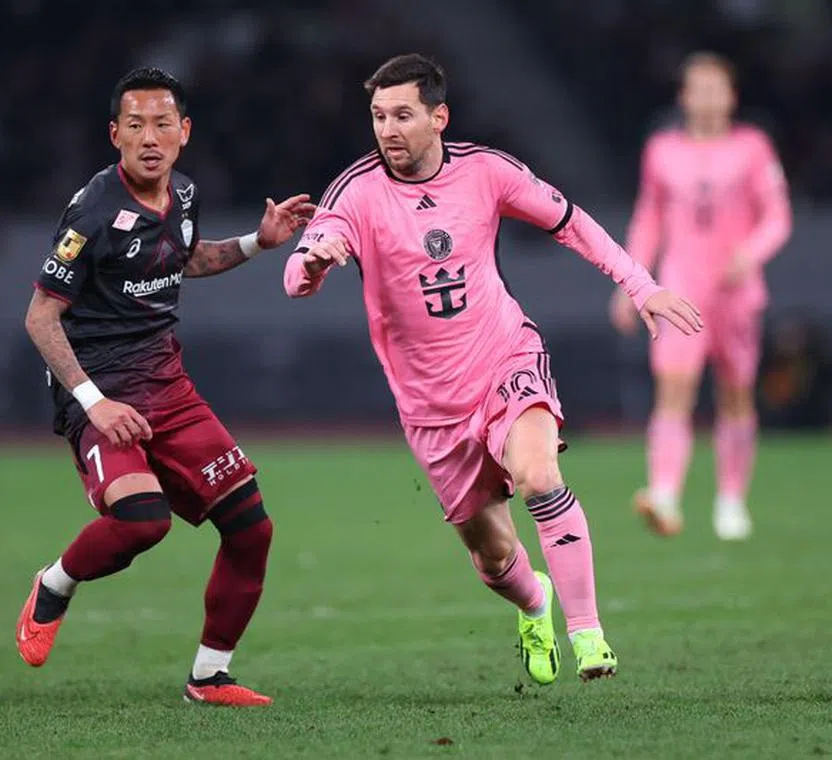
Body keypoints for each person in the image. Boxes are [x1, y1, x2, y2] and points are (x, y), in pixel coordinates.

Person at [284, 54, 701, 684]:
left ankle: (589, 635)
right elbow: (298, 273)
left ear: (438, 117)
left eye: (402, 115)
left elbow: (571, 223)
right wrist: (313, 264)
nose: (387, 129)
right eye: (377, 117)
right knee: (492, 554)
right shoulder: (358, 192)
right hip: (429, 406)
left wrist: (640, 286)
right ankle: (536, 602)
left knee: (538, 475)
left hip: (503, 357)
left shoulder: (486, 170)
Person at [15, 67, 315, 707]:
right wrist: (94, 405)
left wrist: (257, 243)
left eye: (161, 124)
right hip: (97, 391)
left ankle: (209, 677)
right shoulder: (91, 213)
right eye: (134, 125)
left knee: (251, 530)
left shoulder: (182, 195)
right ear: (114, 135)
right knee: (142, 521)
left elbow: (184, 256)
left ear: (183, 132)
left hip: (167, 385)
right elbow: (40, 317)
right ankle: (55, 584)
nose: (148, 137)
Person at [611, 52, 791, 541]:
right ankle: (664, 493)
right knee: (674, 389)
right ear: (684, 97)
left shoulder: (753, 148)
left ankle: (731, 501)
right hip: (680, 288)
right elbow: (648, 218)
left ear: (732, 96)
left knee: (735, 395)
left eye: (717, 87)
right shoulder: (662, 150)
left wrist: (750, 253)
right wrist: (631, 281)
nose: (708, 96)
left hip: (735, 290)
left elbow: (777, 216)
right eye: (698, 87)